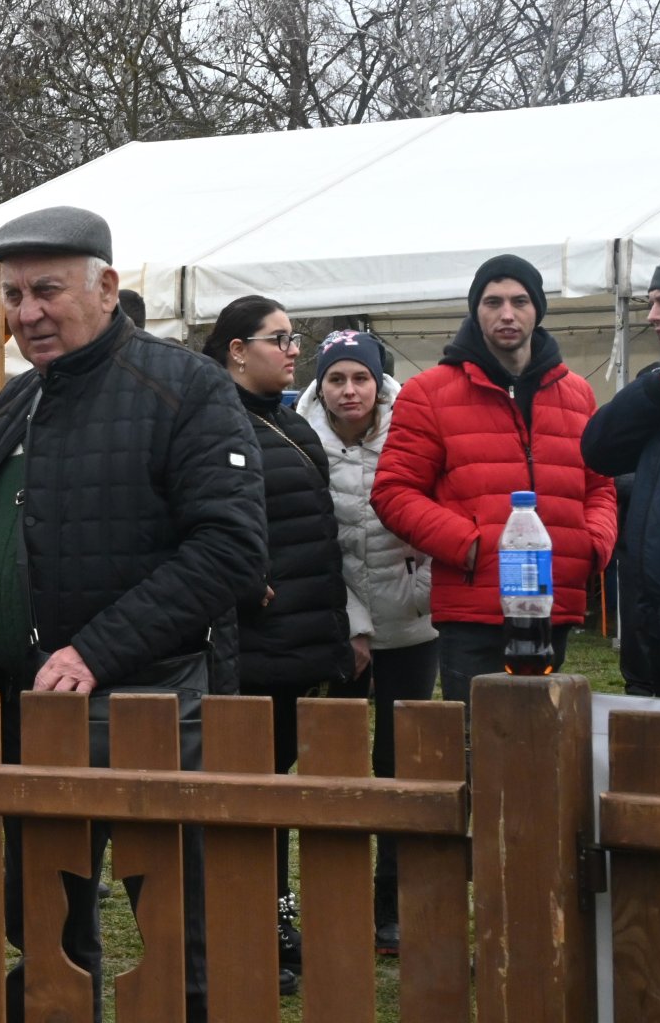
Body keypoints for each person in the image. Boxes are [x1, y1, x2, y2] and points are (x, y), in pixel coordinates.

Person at [0, 205, 267, 1023]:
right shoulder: (16, 408)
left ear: (107, 286)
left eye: (48, 290)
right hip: (31, 713)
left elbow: (231, 550)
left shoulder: (186, 390)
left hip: (157, 707)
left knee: (180, 927)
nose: (28, 313)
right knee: (47, 934)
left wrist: (95, 650)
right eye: (14, 295)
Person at [373, 255, 618, 702]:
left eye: (519, 301)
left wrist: (591, 545)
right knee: (479, 748)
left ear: (537, 309)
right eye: (493, 302)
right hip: (474, 609)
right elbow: (393, 491)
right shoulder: (429, 393)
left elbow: (599, 486)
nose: (507, 313)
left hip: (552, 603)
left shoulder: (578, 394)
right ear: (475, 310)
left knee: (548, 745)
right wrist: (471, 547)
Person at [205, 296, 352, 993]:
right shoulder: (209, 425)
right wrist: (238, 583)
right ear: (236, 349)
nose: (294, 350)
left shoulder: (291, 422)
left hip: (305, 645)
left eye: (295, 338)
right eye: (279, 338)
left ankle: (282, 921)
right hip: (251, 650)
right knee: (252, 809)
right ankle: (262, 930)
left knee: (282, 806)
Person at [297, 328, 435, 955]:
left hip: (415, 622)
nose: (350, 390)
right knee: (339, 768)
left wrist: (427, 593)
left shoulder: (415, 430)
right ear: (320, 386)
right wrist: (351, 624)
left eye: (361, 377)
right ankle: (337, 901)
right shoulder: (300, 442)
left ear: (379, 382)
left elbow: (437, 511)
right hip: (337, 627)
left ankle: (391, 907)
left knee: (400, 765)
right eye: (336, 379)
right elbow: (312, 547)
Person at [582, 262, 660, 695]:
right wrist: (655, 389)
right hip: (647, 647)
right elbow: (597, 449)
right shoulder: (657, 395)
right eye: (652, 302)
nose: (652, 316)